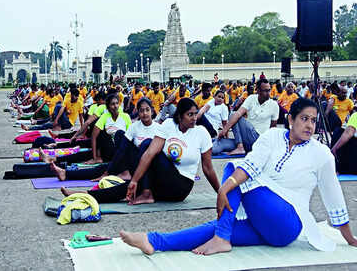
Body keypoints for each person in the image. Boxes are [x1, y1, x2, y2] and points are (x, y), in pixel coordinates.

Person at [120, 98, 357, 255]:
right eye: (304, 119)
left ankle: (222, 238)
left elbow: (333, 198)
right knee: (214, 226)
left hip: (289, 221)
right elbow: (252, 164)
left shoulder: (321, 154)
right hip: (262, 219)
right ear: (291, 120)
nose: (310, 125)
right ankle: (153, 241)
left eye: (314, 121)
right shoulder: (272, 137)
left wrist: (351, 239)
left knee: (234, 169)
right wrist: (225, 189)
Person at [57, 98, 162, 203]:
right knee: (107, 162)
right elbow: (122, 149)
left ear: (152, 111)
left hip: (149, 169)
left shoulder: (159, 129)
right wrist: (107, 171)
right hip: (133, 165)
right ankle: (67, 174)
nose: (144, 113)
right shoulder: (134, 127)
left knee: (120, 188)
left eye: (147, 110)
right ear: (137, 112)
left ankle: (84, 194)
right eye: (141, 110)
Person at [125, 98, 221, 205]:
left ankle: (147, 193)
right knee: (121, 189)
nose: (194, 118)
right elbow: (149, 153)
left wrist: (220, 192)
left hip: (180, 187)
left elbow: (208, 168)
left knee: (147, 143)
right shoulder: (169, 125)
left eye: (196, 114)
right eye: (190, 114)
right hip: (162, 183)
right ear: (180, 116)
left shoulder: (201, 133)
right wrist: (134, 181)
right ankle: (141, 192)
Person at [214, 79, 279, 155]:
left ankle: (240, 147)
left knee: (233, 115)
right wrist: (224, 131)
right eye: (265, 91)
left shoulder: (274, 105)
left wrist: (269, 146)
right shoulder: (251, 98)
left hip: (259, 139)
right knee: (216, 147)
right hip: (246, 140)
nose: (268, 93)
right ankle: (240, 145)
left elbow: (273, 129)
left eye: (269, 90)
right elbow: (239, 112)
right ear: (258, 91)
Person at [90, 94, 132, 163]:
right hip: (108, 150)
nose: (115, 106)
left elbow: (130, 136)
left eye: (117, 103)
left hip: (122, 149)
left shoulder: (125, 116)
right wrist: (94, 157)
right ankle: (100, 157)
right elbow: (94, 136)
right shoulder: (105, 116)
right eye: (112, 104)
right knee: (99, 130)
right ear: (108, 107)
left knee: (120, 134)